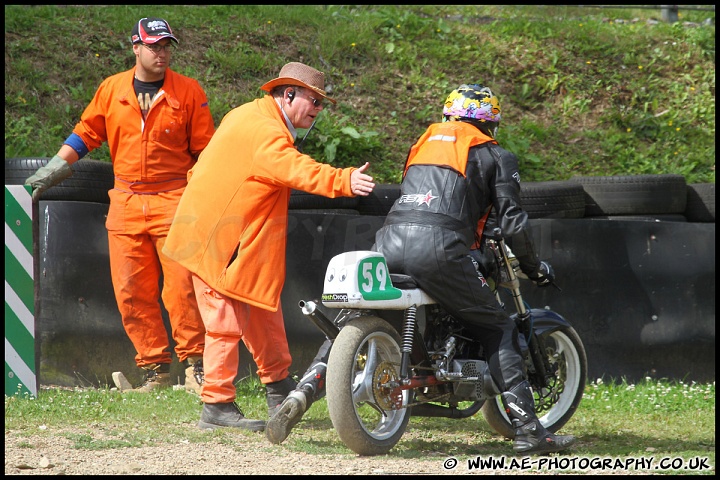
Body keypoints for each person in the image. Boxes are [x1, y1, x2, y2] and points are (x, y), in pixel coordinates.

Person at [267, 84, 577, 455]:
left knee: (359, 315)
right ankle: (529, 431)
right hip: (440, 250)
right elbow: (512, 224)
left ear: (449, 116)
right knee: (500, 328)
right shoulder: (496, 155)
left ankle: (303, 391)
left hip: (388, 243)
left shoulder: (422, 146)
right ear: (491, 122)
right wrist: (534, 265)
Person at [162, 61, 376, 432]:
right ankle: (216, 404)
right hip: (221, 243)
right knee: (225, 322)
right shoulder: (266, 132)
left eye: (321, 103)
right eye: (313, 100)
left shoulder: (248, 115)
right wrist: (344, 179)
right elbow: (295, 168)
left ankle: (279, 388)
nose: (318, 109)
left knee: (263, 313)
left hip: (222, 238)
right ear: (288, 94)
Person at [24, 17, 215, 395]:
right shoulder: (112, 89)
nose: (161, 53)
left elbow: (205, 151)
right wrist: (54, 167)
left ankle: (197, 369)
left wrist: (202, 197)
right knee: (131, 291)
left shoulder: (188, 91)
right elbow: (86, 132)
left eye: (166, 46)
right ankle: (155, 371)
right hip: (126, 201)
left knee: (182, 289)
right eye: (154, 46)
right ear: (135, 47)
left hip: (175, 200)